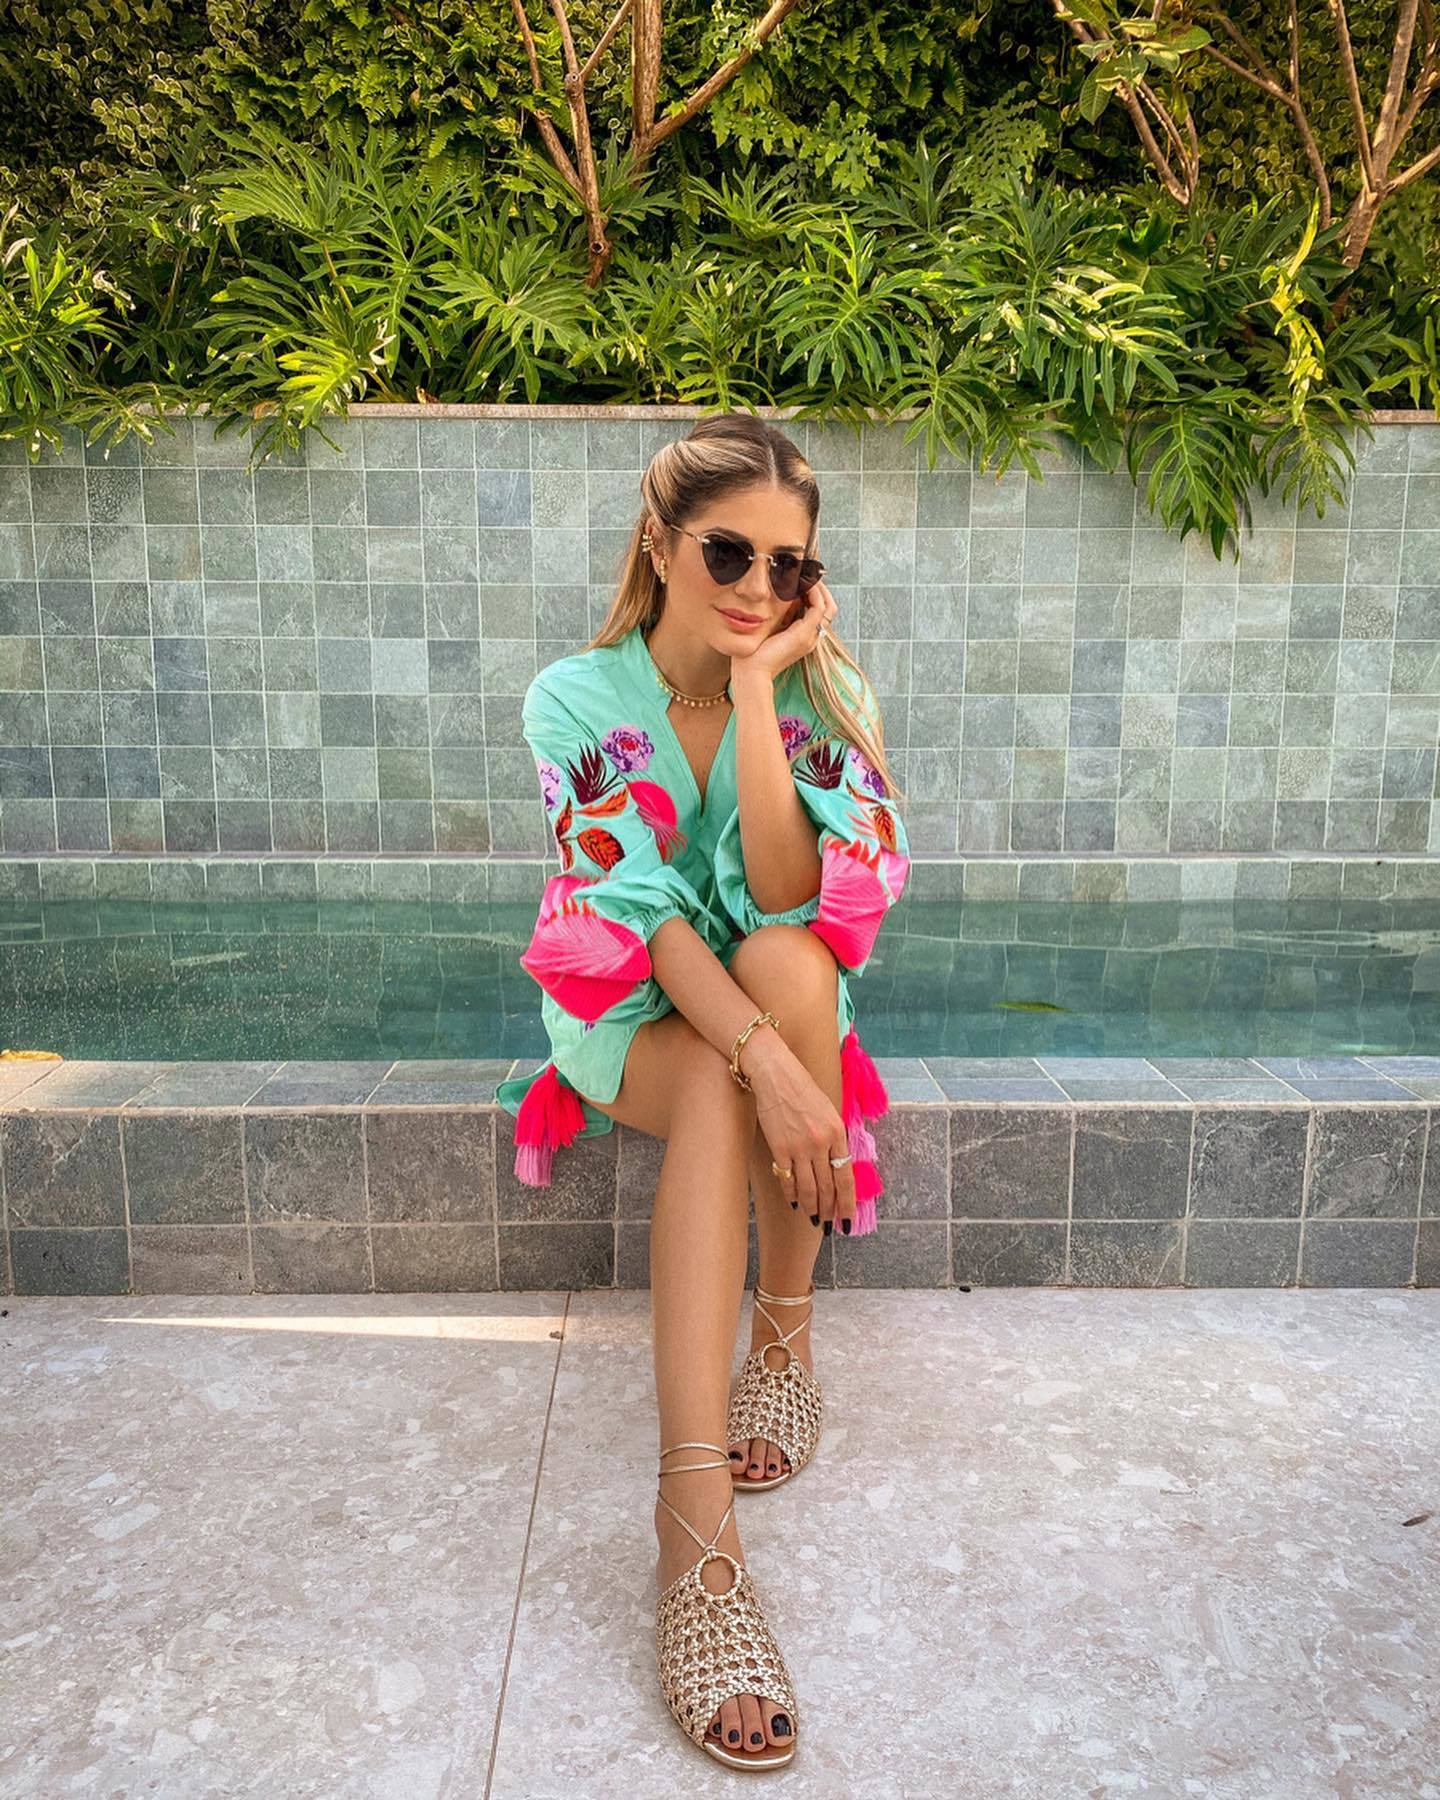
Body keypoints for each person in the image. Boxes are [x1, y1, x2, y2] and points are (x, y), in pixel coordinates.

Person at [494, 412, 911, 1770]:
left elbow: (792, 902)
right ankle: (693, 1528)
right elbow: (642, 909)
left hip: (766, 988)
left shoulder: (819, 702)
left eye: (790, 566)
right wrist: (772, 1064)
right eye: (729, 552)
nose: (756, 586)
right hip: (630, 1001)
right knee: (742, 1071)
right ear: (660, 540)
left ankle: (782, 1337)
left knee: (788, 959)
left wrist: (757, 696)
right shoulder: (575, 698)